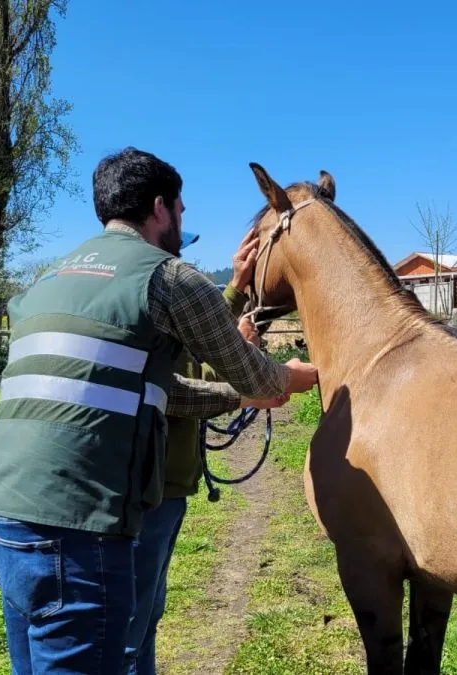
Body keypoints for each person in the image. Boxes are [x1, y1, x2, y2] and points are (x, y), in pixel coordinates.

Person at [0, 147, 318, 674]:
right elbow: (256, 373)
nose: (182, 222)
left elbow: (149, 390)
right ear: (160, 207)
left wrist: (236, 396)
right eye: (181, 211)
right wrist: (285, 378)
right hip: (78, 529)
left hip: (0, 519)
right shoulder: (169, 277)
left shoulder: (49, 280)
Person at [124, 228, 270, 675]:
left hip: (163, 485)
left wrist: (238, 288)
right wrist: (252, 391)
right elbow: (179, 384)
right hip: (151, 486)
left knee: (146, 616)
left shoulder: (136, 298)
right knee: (134, 624)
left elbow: (191, 346)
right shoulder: (147, 297)